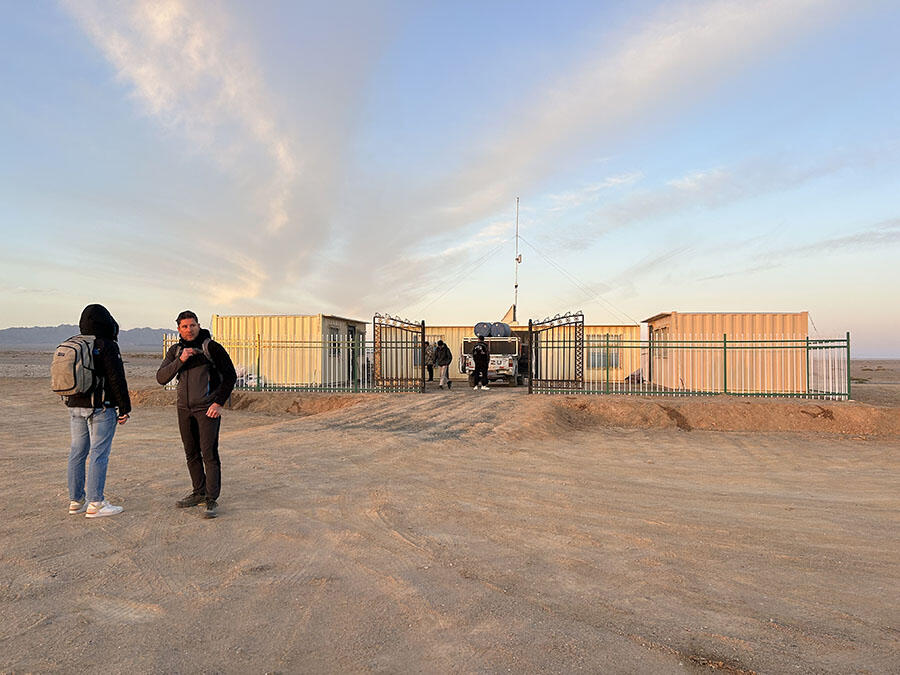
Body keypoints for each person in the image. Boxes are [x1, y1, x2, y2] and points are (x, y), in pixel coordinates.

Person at [156, 311, 236, 519]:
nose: (189, 330)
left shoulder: (211, 347)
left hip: (207, 408)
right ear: (178, 329)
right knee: (191, 452)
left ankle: (211, 499)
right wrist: (180, 360)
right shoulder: (175, 351)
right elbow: (161, 378)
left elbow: (230, 375)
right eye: (184, 326)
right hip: (184, 409)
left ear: (198, 325)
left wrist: (218, 402)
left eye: (192, 325)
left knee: (208, 452)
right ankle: (198, 492)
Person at [65, 304, 131, 518]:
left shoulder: (75, 343)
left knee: (77, 453)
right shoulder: (107, 345)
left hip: (75, 406)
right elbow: (116, 378)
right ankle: (96, 503)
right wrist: (124, 408)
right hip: (101, 407)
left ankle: (76, 500)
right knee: (98, 453)